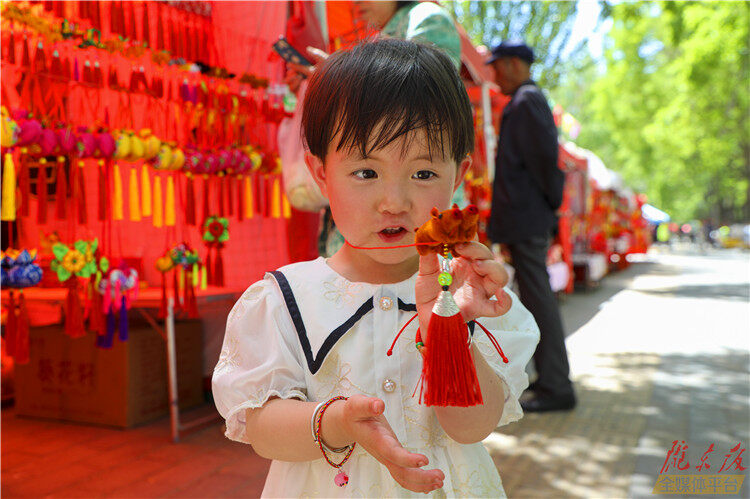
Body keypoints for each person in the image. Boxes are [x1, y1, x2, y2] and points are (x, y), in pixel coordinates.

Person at [213, 39, 540, 497]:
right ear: (321, 172)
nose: (394, 202)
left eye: (423, 174)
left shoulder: (473, 295)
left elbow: (471, 427)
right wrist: (339, 420)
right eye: (366, 172)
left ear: (458, 175)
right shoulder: (286, 299)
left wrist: (450, 327)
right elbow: (261, 428)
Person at [485, 41, 576, 412]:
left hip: (528, 220)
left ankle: (557, 387)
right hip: (525, 220)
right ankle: (550, 380)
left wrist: (547, 211)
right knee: (537, 301)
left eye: (497, 67)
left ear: (512, 65)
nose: (492, 74)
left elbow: (545, 165)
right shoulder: (525, 102)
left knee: (540, 302)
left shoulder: (526, 102)